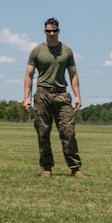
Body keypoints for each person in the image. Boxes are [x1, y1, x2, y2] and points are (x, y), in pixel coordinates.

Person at [23, 18, 86, 178]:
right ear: (44, 31)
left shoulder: (66, 50)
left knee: (68, 132)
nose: (51, 33)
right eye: (48, 31)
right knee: (43, 132)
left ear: (58, 31)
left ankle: (75, 168)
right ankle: (46, 168)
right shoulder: (37, 51)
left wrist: (78, 96)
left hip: (62, 95)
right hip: (42, 94)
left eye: (54, 30)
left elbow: (73, 74)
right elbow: (29, 75)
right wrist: (26, 97)